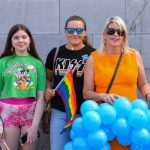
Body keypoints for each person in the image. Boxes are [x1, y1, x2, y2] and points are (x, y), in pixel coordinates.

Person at [83, 16, 150, 150]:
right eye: (111, 31)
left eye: (120, 32)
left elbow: (143, 84)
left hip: (131, 121)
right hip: (105, 123)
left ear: (124, 36)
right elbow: (86, 93)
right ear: (104, 35)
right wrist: (102, 96)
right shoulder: (93, 58)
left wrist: (148, 95)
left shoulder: (134, 55)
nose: (115, 35)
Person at [44, 15, 95, 150]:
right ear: (65, 31)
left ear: (85, 32)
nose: (75, 34)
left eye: (79, 30)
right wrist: (47, 90)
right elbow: (48, 78)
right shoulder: (55, 53)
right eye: (71, 30)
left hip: (85, 113)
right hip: (60, 112)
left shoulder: (93, 54)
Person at [0, 24, 46, 150]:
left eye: (24, 37)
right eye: (16, 37)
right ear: (11, 41)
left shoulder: (37, 64)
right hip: (7, 112)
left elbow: (41, 98)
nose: (20, 40)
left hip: (30, 113)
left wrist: (35, 126)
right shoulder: (2, 62)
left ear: (29, 39)